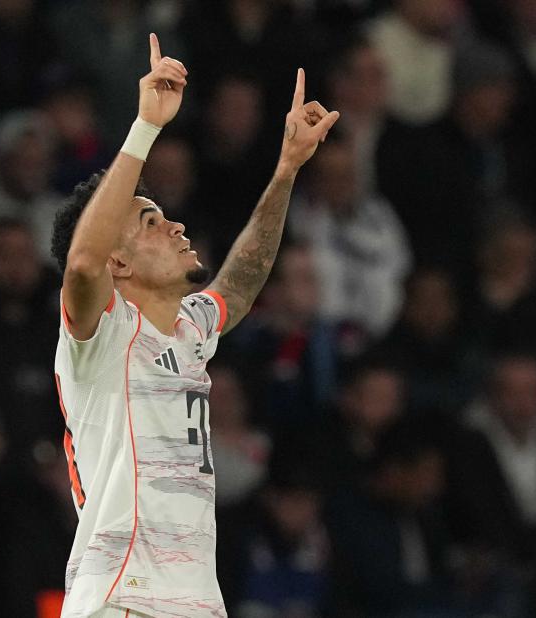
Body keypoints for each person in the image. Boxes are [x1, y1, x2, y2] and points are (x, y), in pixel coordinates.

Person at [50, 33, 338, 618]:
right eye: (151, 222)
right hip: (123, 597)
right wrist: (145, 128)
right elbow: (82, 263)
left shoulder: (189, 330)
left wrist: (286, 169)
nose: (176, 226)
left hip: (194, 602)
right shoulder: (100, 335)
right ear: (117, 261)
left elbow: (240, 283)